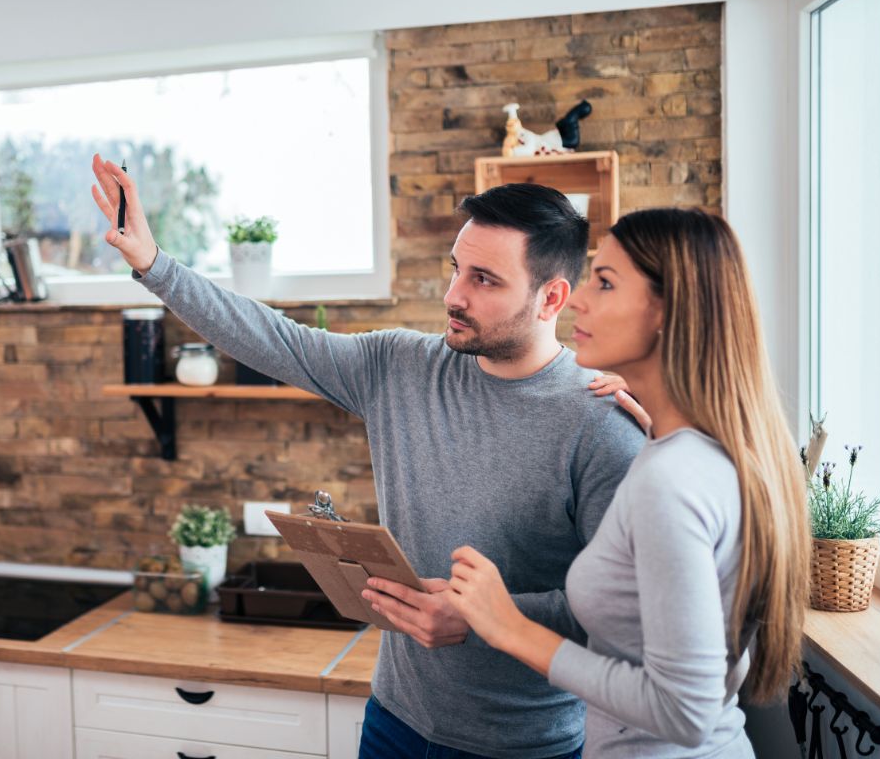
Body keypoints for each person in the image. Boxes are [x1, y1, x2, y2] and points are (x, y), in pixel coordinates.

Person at [91, 154, 645, 759]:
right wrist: (154, 263)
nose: (452, 295)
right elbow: (274, 339)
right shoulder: (399, 366)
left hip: (523, 746)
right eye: (456, 269)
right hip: (394, 723)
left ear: (551, 298)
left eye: (484, 280)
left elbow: (624, 611)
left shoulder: (601, 424)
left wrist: (485, 616)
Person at [447, 208, 810, 758]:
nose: (579, 299)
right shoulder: (699, 452)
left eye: (606, 282)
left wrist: (508, 627)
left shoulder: (672, 480)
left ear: (668, 312)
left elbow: (684, 711)